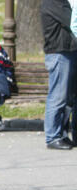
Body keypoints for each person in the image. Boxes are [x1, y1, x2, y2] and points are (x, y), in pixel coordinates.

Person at [40, 0, 77, 150]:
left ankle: (61, 134)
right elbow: (71, 20)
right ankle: (52, 137)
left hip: (67, 52)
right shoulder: (54, 2)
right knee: (58, 96)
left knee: (67, 98)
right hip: (58, 53)